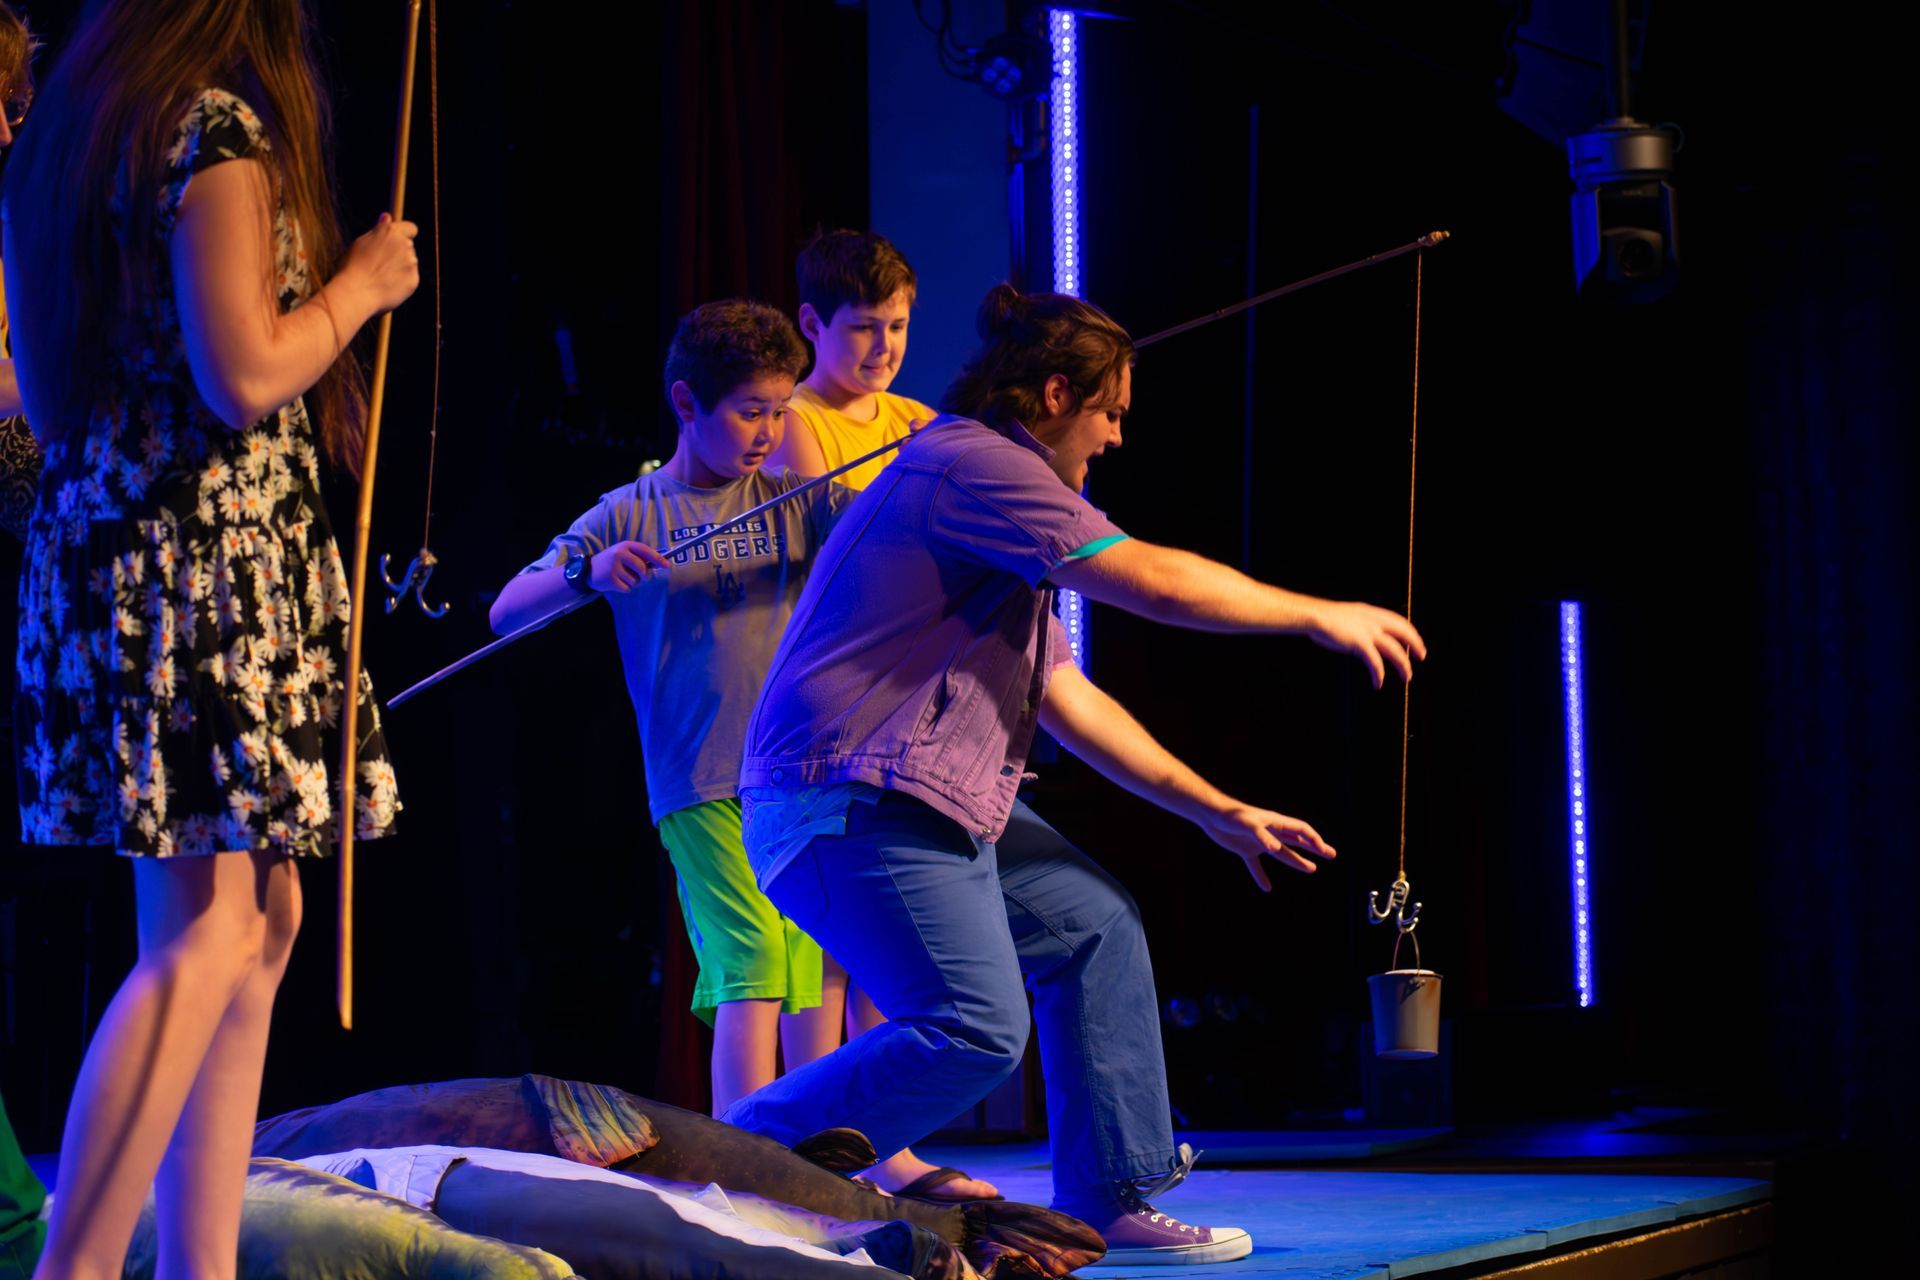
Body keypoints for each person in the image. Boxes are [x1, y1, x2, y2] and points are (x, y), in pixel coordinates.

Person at [724, 284, 1427, 1266]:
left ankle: (1111, 1192)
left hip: (929, 797)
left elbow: (1067, 695)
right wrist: (1312, 611)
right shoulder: (977, 462)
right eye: (1111, 413)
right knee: (974, 1024)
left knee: (1090, 917)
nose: (1116, 439)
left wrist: (1217, 810)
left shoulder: (991, 501)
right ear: (1056, 392)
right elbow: (1142, 574)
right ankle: (736, 1156)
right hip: (847, 796)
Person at [1, 0, 418, 1272]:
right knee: (204, 932)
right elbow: (241, 371)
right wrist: (361, 282)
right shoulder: (209, 128)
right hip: (200, 557)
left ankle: (202, 1264)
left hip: (121, 545)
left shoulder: (75, 127)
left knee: (266, 911)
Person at [490, 300, 853, 1122]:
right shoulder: (629, 513)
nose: (767, 431)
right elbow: (508, 610)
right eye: (749, 412)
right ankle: (749, 1168)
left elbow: (890, 533)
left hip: (797, 776)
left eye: (780, 410)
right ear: (687, 403)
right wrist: (591, 572)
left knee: (813, 971)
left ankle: (823, 1161)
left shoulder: (801, 502)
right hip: (702, 781)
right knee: (753, 958)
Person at [766, 229, 934, 491]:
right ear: (812, 324)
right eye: (864, 328)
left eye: (897, 327)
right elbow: (829, 530)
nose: (884, 347)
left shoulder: (918, 417)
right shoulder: (790, 422)